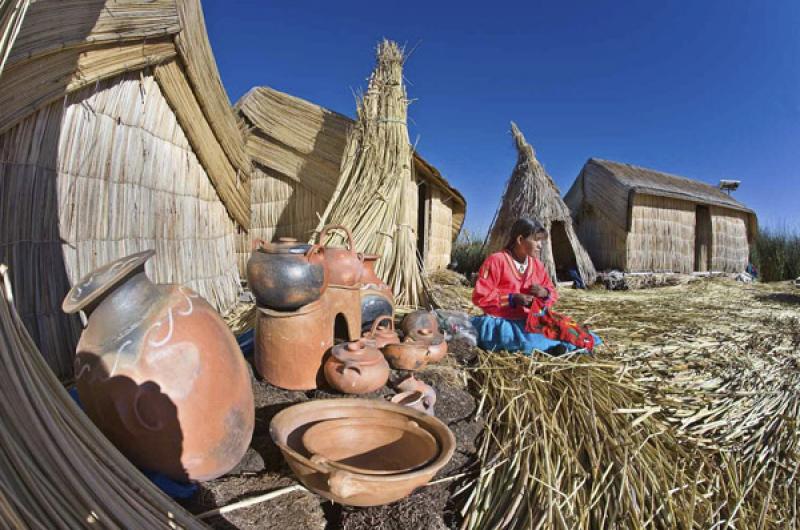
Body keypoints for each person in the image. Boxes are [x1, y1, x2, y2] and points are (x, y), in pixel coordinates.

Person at [471, 217, 599, 355]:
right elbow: (480, 297)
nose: (540, 245)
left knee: (570, 330)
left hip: (534, 320)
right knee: (527, 340)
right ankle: (564, 348)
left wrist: (545, 293)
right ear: (520, 240)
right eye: (536, 240)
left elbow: (553, 293)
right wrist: (511, 298)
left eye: (541, 241)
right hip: (505, 321)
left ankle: (563, 347)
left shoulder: (537, 265)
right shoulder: (496, 261)